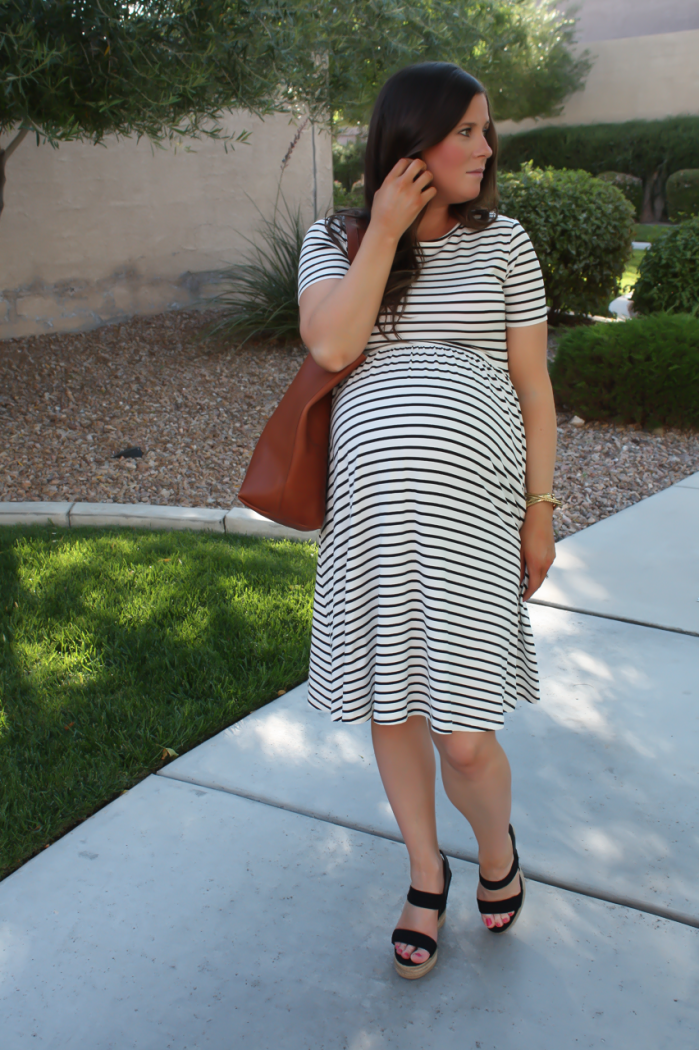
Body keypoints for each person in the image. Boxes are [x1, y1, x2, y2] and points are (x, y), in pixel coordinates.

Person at [297, 62, 558, 980]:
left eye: (486, 132)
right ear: (410, 145)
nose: (485, 151)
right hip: (369, 521)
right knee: (392, 704)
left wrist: (539, 509)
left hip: (472, 522)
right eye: (465, 133)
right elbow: (332, 344)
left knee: (463, 733)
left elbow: (533, 387)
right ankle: (422, 872)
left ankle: (495, 849)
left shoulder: (506, 246)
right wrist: (388, 230)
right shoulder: (334, 241)